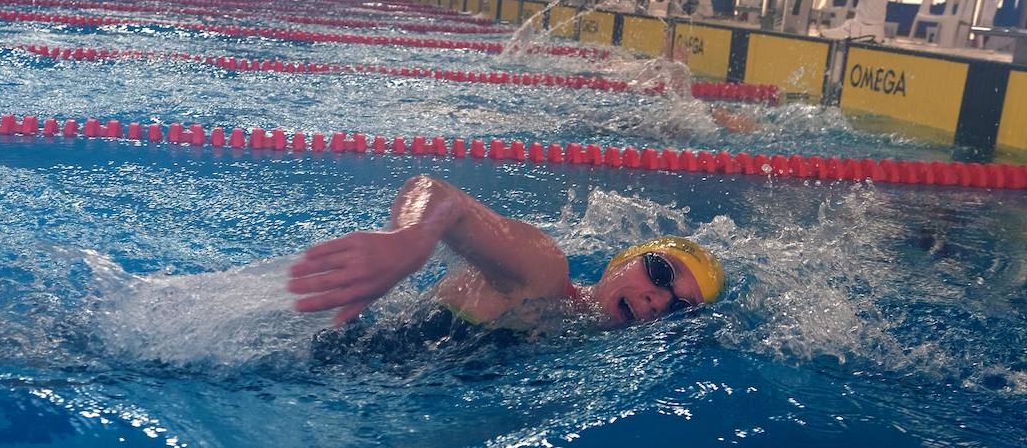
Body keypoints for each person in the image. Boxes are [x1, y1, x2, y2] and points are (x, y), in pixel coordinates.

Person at [287, 174, 725, 332]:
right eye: (660, 273)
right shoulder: (544, 273)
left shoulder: (580, 338)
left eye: (680, 308)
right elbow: (441, 196)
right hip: (325, 357)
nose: (659, 300)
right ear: (622, 260)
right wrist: (410, 241)